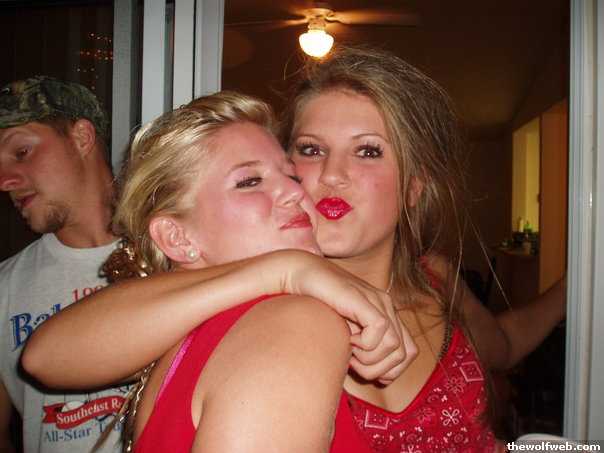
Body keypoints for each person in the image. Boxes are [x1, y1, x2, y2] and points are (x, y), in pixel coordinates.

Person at [22, 46, 567, 451]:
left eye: (368, 151)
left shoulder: (436, 277)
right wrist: (286, 270)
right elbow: (51, 353)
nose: (330, 175)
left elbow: (503, 349)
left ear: (414, 188)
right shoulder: (274, 312)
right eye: (309, 149)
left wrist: (579, 284)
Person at [99, 90, 397, 452]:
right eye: (249, 182)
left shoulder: (184, 339)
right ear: (177, 237)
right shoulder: (295, 322)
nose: (295, 193)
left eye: (292, 177)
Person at [0, 76, 131, 452]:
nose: (5, 181)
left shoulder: (176, 255)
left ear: (82, 137)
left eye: (21, 152)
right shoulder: (5, 288)